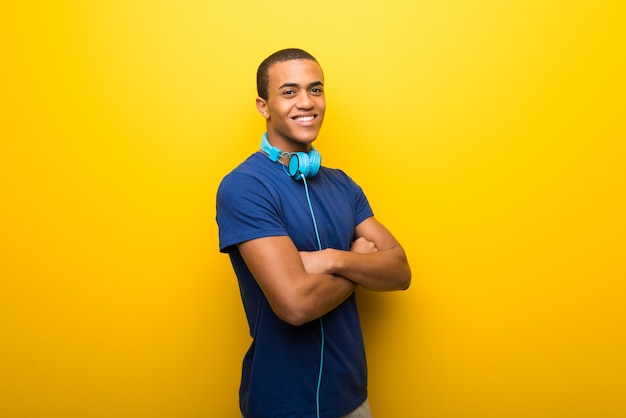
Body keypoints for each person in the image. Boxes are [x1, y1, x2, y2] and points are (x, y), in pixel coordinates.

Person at [216, 48, 411, 418]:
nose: (306, 102)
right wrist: (362, 261)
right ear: (264, 106)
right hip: (282, 405)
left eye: (315, 89)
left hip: (353, 399)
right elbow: (296, 304)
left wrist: (332, 259)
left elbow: (400, 272)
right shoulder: (245, 186)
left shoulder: (343, 185)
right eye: (289, 92)